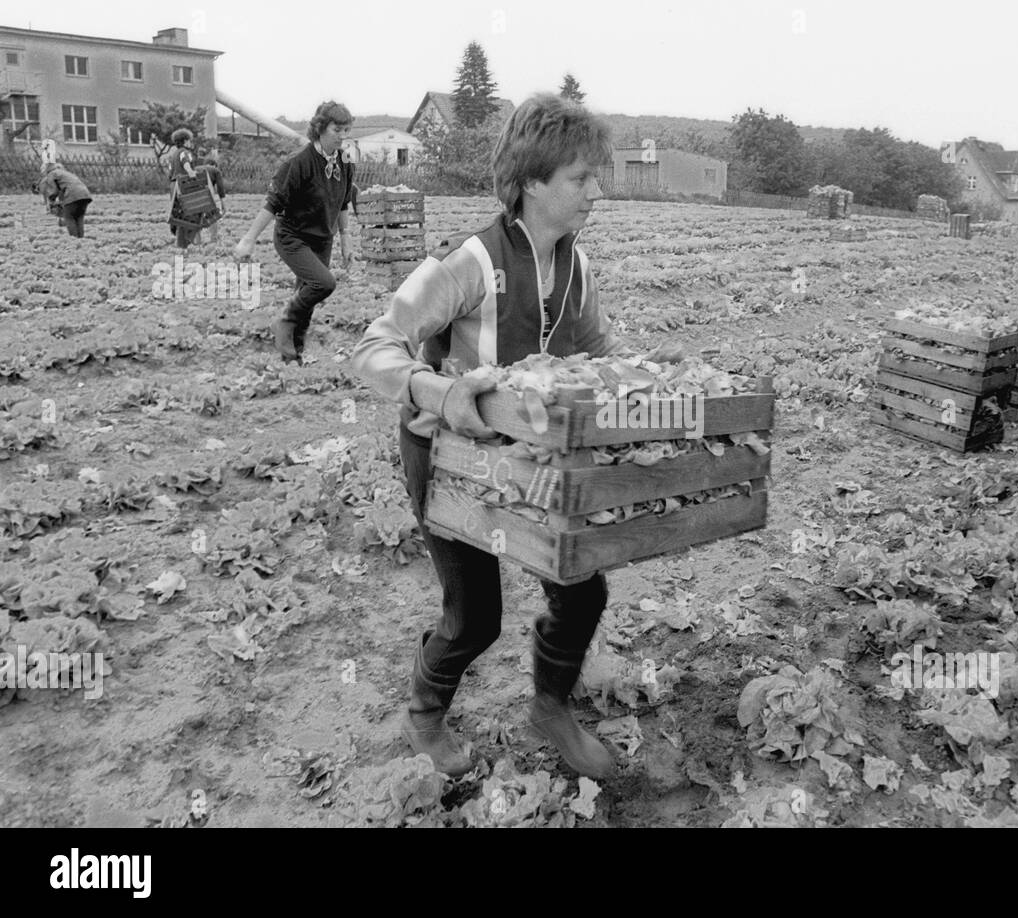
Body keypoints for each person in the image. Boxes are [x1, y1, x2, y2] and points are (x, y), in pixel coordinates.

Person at [352, 94, 684, 781]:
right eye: (581, 178)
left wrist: (646, 382)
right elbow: (375, 346)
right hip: (450, 458)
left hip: (531, 457)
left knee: (582, 587)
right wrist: (438, 390)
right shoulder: (468, 261)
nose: (598, 191)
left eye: (597, 177)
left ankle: (550, 706)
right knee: (474, 619)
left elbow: (596, 351)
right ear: (533, 182)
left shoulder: (578, 266)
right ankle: (424, 711)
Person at [234, 101, 355, 364]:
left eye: (347, 130)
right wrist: (249, 239)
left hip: (323, 238)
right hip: (293, 237)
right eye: (337, 130)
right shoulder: (299, 162)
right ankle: (284, 321)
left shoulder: (345, 162)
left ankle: (292, 356)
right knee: (323, 283)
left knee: (308, 299)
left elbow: (343, 201)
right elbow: (273, 202)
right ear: (321, 127)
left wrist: (346, 238)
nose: (343, 136)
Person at [166, 128, 205, 250]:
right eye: (189, 140)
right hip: (183, 184)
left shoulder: (172, 155)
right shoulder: (185, 152)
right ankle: (188, 243)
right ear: (185, 141)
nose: (190, 143)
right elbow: (187, 165)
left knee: (178, 214)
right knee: (189, 213)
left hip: (173, 185)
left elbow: (170, 173)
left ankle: (180, 242)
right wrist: (193, 173)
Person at [37, 162, 92, 238]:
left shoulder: (52, 174)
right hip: (85, 195)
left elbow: (54, 191)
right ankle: (81, 239)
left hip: (73, 194)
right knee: (79, 217)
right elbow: (62, 191)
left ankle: (74, 239)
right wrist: (61, 202)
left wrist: (51, 201)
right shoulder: (65, 173)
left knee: (69, 217)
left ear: (46, 170)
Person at [196, 150, 227, 244]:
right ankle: (213, 239)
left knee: (196, 217)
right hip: (207, 200)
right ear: (214, 165)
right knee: (213, 216)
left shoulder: (195, 169)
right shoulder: (215, 170)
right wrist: (223, 204)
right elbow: (220, 188)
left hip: (192, 201)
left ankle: (197, 241)